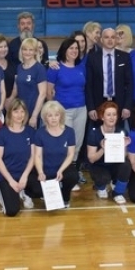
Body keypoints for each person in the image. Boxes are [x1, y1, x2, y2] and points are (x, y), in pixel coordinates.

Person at [47, 37, 89, 173]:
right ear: (64, 50)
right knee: (66, 143)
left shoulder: (81, 67)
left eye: (76, 48)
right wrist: (54, 111)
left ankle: (73, 171)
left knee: (78, 143)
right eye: (71, 48)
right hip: (64, 111)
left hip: (81, 109)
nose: (74, 51)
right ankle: (62, 172)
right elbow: (49, 91)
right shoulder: (55, 68)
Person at [0, 99, 36, 216]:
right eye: (16, 111)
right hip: (7, 176)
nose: (19, 115)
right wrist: (11, 181)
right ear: (10, 113)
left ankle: (24, 192)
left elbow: (33, 156)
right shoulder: (2, 133)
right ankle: (12, 193)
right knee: (12, 211)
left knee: (39, 190)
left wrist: (25, 176)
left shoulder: (30, 132)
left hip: (24, 174)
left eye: (22, 111)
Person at [33, 101, 77, 208]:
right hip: (46, 168)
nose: (53, 118)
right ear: (45, 117)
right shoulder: (39, 133)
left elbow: (70, 154)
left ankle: (65, 197)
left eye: (56, 115)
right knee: (35, 189)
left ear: (61, 116)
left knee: (73, 177)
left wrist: (61, 170)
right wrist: (40, 172)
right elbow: (37, 156)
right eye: (50, 115)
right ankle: (48, 193)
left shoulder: (69, 132)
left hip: (62, 168)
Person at [85, 27, 133, 124]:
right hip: (98, 103)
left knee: (118, 131)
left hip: (119, 104)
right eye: (106, 37)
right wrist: (91, 107)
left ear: (116, 40)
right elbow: (89, 84)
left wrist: (127, 106)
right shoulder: (92, 58)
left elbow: (130, 83)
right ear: (101, 40)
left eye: (113, 37)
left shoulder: (125, 57)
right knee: (99, 131)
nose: (110, 40)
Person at [87, 102, 131, 204]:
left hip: (114, 164)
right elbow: (91, 159)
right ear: (102, 117)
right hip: (99, 165)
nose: (112, 118)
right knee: (103, 178)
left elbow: (124, 156)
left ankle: (118, 192)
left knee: (126, 164)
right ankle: (100, 187)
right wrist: (103, 148)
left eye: (114, 114)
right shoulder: (94, 133)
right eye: (108, 115)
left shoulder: (122, 131)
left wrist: (124, 146)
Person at [16, 37, 48, 127]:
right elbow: (17, 88)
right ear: (21, 51)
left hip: (33, 111)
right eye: (25, 49)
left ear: (35, 52)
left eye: (31, 50)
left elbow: (42, 94)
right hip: (21, 111)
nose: (27, 52)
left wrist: (34, 116)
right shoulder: (19, 67)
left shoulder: (39, 68)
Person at [0, 34, 17, 104]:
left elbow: (16, 85)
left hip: (11, 103)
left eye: (5, 46)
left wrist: (10, 99)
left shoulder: (13, 65)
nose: (3, 49)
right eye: (0, 47)